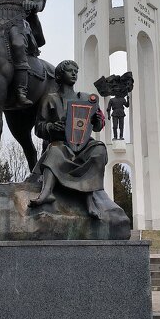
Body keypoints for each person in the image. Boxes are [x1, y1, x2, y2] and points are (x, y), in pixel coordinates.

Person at [29, 60, 107, 219]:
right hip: (61, 142)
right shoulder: (50, 99)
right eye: (70, 71)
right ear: (59, 75)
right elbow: (38, 127)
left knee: (99, 149)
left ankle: (89, 199)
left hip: (83, 144)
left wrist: (98, 119)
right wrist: (51, 127)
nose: (74, 74)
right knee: (55, 151)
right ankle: (46, 192)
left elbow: (97, 126)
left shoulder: (86, 98)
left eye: (76, 71)